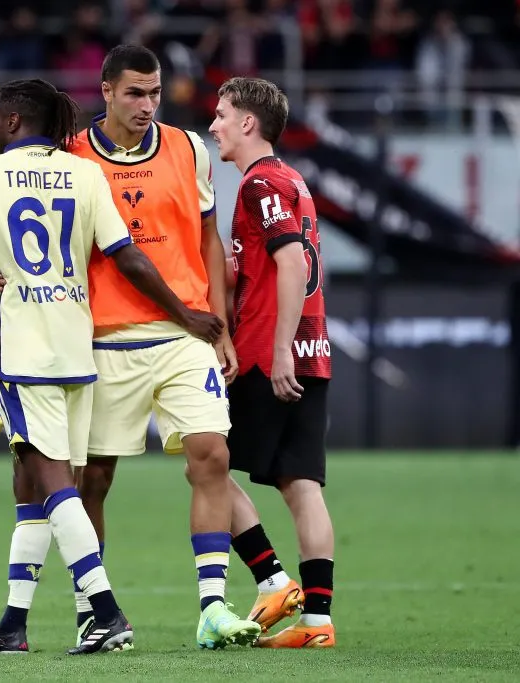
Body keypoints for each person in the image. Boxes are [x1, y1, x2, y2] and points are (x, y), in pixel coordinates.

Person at [0, 45, 268, 650]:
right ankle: (91, 610)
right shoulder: (72, 154)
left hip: (185, 332)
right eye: (135, 92)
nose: (146, 104)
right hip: (102, 338)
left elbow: (207, 236)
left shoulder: (189, 148)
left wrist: (219, 321)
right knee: (93, 480)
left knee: (211, 454)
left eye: (155, 92)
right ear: (105, 90)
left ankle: (212, 606)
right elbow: (22, 225)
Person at [208, 76, 336, 648]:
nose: (214, 126)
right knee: (301, 484)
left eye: (221, 115)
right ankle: (317, 624)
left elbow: (288, 265)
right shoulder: (293, 181)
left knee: (204, 463)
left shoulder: (260, 184)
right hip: (315, 352)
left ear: (248, 124)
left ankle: (272, 580)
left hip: (269, 353)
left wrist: (278, 349)